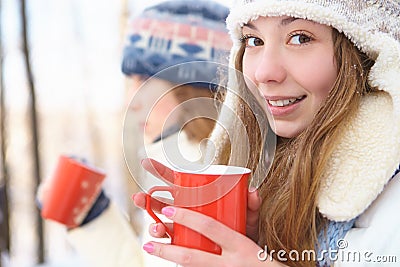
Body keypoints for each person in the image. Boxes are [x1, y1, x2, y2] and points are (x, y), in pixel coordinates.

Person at [134, 0, 400, 266]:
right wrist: (257, 243)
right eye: (254, 40)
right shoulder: (262, 174)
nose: (263, 73)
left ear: (367, 54)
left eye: (299, 38)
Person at [38, 1, 232, 267]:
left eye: (145, 80)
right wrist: (92, 216)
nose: (132, 100)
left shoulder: (228, 179)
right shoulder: (173, 165)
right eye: (131, 82)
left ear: (192, 86)